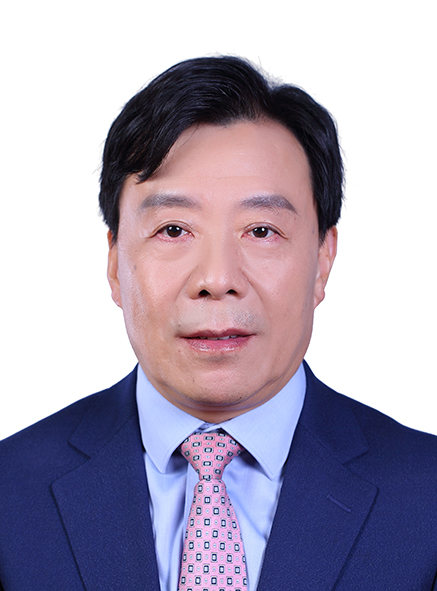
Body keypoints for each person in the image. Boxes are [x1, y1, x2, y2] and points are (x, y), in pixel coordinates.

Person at [0, 56, 436, 591]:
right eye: (173, 229)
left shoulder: (427, 496)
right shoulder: (10, 495)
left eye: (261, 231)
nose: (217, 279)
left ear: (323, 260)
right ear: (114, 262)